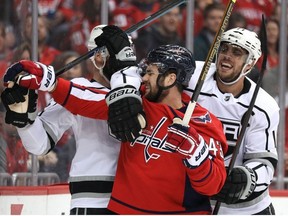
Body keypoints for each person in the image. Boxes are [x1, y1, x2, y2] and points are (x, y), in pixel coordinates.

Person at [3, 42, 228, 214]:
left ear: (170, 78)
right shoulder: (137, 103)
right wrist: (48, 80)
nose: (143, 77)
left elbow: (213, 185)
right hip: (125, 210)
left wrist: (196, 153)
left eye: (150, 72)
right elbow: (90, 99)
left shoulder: (202, 121)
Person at [1, 25, 136, 214]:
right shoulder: (77, 89)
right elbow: (39, 144)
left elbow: (99, 101)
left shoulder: (138, 89)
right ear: (97, 57)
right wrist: (25, 121)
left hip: (137, 199)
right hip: (92, 201)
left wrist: (55, 85)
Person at [184, 27, 279, 214]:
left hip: (246, 209)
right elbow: (151, 74)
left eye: (237, 52)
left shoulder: (263, 105)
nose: (227, 55)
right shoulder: (192, 78)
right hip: (196, 201)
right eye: (224, 49)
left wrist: (245, 178)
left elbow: (264, 161)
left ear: (250, 64)